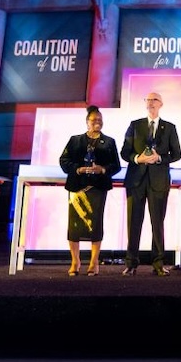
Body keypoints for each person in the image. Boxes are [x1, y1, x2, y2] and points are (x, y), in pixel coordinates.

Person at [120, 92, 181, 276]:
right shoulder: (135, 125)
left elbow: (176, 153)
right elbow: (124, 152)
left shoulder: (169, 127)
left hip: (158, 181)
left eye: (154, 100)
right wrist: (137, 158)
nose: (151, 103)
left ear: (161, 104)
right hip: (136, 180)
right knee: (133, 222)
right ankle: (131, 263)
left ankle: (158, 263)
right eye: (148, 100)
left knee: (157, 223)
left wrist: (159, 158)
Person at [59, 105, 122, 276]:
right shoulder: (75, 140)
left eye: (100, 120)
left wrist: (101, 169)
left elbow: (115, 165)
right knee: (74, 226)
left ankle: (94, 262)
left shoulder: (109, 142)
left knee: (95, 224)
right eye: (94, 120)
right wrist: (78, 169)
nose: (98, 122)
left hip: (98, 188)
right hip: (77, 188)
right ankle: (75, 261)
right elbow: (64, 161)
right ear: (87, 122)